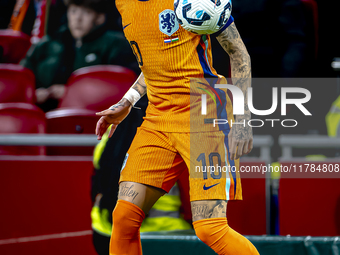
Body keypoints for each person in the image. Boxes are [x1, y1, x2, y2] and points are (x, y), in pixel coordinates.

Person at [95, 0, 259, 254]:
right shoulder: (123, 4)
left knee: (210, 228)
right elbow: (153, 62)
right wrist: (127, 101)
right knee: (124, 218)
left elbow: (238, 53)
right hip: (158, 117)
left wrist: (244, 119)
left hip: (205, 114)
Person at [21, 0, 138, 112]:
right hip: (43, 118)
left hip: (96, 120)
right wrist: (32, 94)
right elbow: (22, 79)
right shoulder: (48, 44)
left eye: (86, 12)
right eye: (73, 11)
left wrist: (72, 93)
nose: (78, 19)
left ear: (99, 17)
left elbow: (120, 89)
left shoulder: (116, 45)